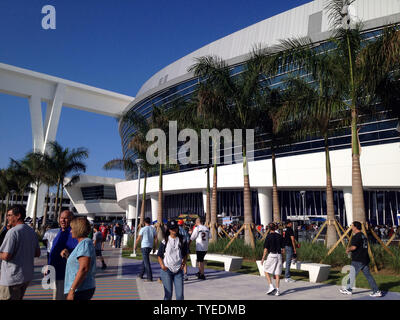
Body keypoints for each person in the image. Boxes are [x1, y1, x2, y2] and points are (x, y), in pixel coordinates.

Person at [0, 205, 40, 300]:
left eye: (9, 215)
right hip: (25, 277)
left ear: (18, 215)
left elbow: (6, 256)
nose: (7, 218)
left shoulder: (13, 232)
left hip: (12, 278)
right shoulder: (31, 231)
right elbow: (37, 253)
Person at [340, 221, 382, 297]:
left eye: (352, 226)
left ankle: (348, 289)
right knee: (368, 276)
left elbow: (354, 247)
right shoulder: (363, 236)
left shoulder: (356, 236)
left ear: (355, 227)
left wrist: (348, 249)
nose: (351, 227)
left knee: (352, 274)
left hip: (358, 259)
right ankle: (376, 291)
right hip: (364, 259)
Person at [48, 210, 78, 300]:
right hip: (56, 273)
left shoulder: (72, 234)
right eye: (61, 218)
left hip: (64, 275)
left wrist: (68, 252)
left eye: (66, 218)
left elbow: (76, 254)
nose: (63, 220)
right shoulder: (60, 232)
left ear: (71, 220)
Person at [64, 217, 97, 300]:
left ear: (78, 229)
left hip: (81, 289)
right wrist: (68, 256)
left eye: (72, 228)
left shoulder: (85, 243)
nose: (70, 231)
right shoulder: (83, 243)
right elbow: (79, 264)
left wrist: (72, 290)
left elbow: (84, 268)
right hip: (80, 288)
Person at [157, 220, 188, 300]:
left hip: (178, 271)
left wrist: (183, 263)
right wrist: (162, 266)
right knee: (168, 295)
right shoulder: (165, 240)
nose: (174, 230)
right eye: (172, 229)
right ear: (169, 230)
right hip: (167, 271)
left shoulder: (182, 239)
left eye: (175, 228)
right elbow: (159, 255)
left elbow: (185, 253)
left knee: (180, 296)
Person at [261, 223, 285, 296]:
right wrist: (283, 257)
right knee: (277, 274)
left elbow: (266, 249)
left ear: (269, 228)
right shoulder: (279, 236)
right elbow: (283, 249)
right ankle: (277, 290)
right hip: (279, 255)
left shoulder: (268, 237)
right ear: (275, 228)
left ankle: (271, 286)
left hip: (272, 255)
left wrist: (263, 258)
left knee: (266, 270)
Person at [134, 217, 157, 282]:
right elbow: (156, 239)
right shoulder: (153, 229)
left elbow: (138, 238)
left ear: (144, 222)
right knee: (145, 261)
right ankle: (141, 274)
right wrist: (155, 247)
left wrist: (135, 246)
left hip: (144, 246)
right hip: (150, 246)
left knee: (146, 262)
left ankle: (149, 277)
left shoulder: (143, 229)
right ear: (150, 222)